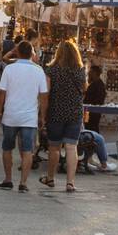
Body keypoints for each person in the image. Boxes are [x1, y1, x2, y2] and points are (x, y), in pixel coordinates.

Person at [0, 40, 48, 192]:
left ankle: (8, 179)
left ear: (17, 53)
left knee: (7, 148)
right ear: (32, 53)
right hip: (29, 118)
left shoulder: (9, 69)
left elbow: (1, 93)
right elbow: (44, 96)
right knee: (27, 151)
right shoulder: (39, 71)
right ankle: (23, 183)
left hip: (10, 115)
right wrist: (42, 117)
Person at [41, 38, 85, 192]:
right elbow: (83, 90)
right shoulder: (80, 70)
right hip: (75, 113)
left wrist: (42, 115)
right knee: (72, 148)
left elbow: (45, 94)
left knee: (54, 147)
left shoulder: (51, 70)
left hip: (56, 112)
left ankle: (51, 178)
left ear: (58, 53)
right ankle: (70, 182)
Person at [84, 63, 107, 131]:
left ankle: (94, 141)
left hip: (93, 113)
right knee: (86, 127)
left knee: (92, 128)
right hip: (87, 111)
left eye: (90, 72)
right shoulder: (93, 84)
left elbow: (99, 100)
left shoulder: (99, 85)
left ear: (95, 73)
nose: (89, 73)